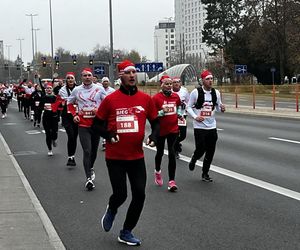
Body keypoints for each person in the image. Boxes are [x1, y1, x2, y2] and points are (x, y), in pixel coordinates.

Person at [93, 60, 159, 246]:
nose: (132, 75)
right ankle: (112, 208)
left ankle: (126, 231)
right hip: (115, 158)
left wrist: (154, 136)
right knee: (121, 194)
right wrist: (108, 134)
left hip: (136, 156)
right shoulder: (110, 100)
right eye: (128, 72)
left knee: (140, 194)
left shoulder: (145, 99)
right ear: (120, 76)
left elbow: (156, 122)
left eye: (134, 72)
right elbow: (96, 125)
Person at [67, 68, 106, 190]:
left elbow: (107, 104)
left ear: (92, 76)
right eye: (85, 75)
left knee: (93, 151)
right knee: (87, 151)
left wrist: (99, 111)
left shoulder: (99, 89)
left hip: (96, 125)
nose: (87, 77)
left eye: (89, 75)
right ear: (81, 77)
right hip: (83, 125)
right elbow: (69, 104)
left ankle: (90, 167)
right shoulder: (77, 90)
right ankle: (88, 179)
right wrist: (74, 115)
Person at [187, 70, 225, 182]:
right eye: (208, 79)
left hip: (212, 126)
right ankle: (194, 158)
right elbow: (188, 107)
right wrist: (195, 117)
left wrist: (221, 108)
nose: (210, 81)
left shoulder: (216, 93)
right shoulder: (196, 92)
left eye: (211, 79)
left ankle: (205, 173)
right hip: (199, 126)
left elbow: (217, 107)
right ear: (202, 80)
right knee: (201, 148)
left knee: (210, 150)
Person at [152, 75, 182, 191]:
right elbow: (152, 115)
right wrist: (161, 112)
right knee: (159, 152)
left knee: (172, 153)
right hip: (161, 130)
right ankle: (158, 171)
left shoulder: (175, 96)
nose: (169, 86)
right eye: (167, 84)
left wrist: (179, 113)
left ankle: (171, 181)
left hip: (173, 129)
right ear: (162, 85)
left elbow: (179, 106)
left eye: (170, 84)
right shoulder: (156, 98)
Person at [58, 72, 78, 166]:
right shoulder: (62, 90)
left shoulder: (79, 89)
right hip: (66, 116)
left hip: (76, 115)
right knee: (71, 135)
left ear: (74, 80)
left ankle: (72, 156)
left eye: (72, 78)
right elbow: (63, 99)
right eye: (68, 78)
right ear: (66, 80)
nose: (70, 80)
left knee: (74, 137)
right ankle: (70, 157)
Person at [39, 83, 61, 156]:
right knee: (48, 134)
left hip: (54, 117)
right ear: (45, 90)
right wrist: (43, 108)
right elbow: (39, 107)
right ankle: (50, 149)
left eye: (50, 88)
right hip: (46, 117)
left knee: (54, 133)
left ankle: (54, 139)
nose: (49, 89)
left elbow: (59, 108)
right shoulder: (43, 97)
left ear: (52, 89)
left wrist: (58, 116)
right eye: (47, 88)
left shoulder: (55, 98)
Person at [172, 77, 189, 159]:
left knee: (183, 135)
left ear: (180, 83)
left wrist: (184, 105)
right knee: (174, 134)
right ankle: (176, 150)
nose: (176, 84)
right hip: (172, 116)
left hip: (182, 115)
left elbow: (188, 102)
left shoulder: (184, 91)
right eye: (174, 82)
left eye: (178, 82)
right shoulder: (169, 91)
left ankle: (176, 143)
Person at [99, 76, 115, 151]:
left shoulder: (112, 90)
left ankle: (108, 139)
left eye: (106, 81)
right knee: (103, 126)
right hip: (101, 110)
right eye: (104, 81)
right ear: (102, 83)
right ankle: (104, 141)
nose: (105, 83)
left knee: (110, 125)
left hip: (110, 111)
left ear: (109, 82)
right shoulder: (98, 90)